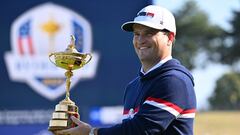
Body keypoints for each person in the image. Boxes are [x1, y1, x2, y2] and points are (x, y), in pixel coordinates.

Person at [54, 4, 196, 135]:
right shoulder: (133, 86)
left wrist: (92, 133)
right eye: (136, 34)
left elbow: (141, 129)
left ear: (170, 37)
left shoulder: (174, 80)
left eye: (149, 33)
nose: (141, 40)